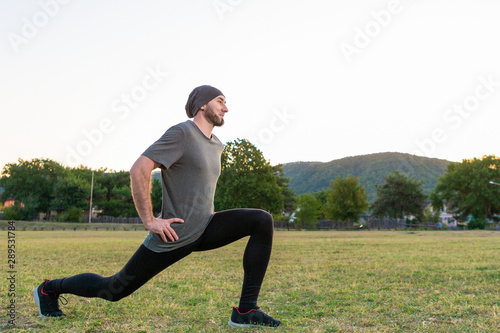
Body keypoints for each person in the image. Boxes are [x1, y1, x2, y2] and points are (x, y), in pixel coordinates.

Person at [33, 85, 281, 328]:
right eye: (220, 100)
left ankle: (246, 310)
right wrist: (150, 220)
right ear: (202, 104)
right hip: (175, 235)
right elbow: (139, 169)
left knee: (261, 220)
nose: (225, 108)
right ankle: (49, 289)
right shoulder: (182, 133)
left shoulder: (216, 144)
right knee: (113, 289)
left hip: (205, 226)